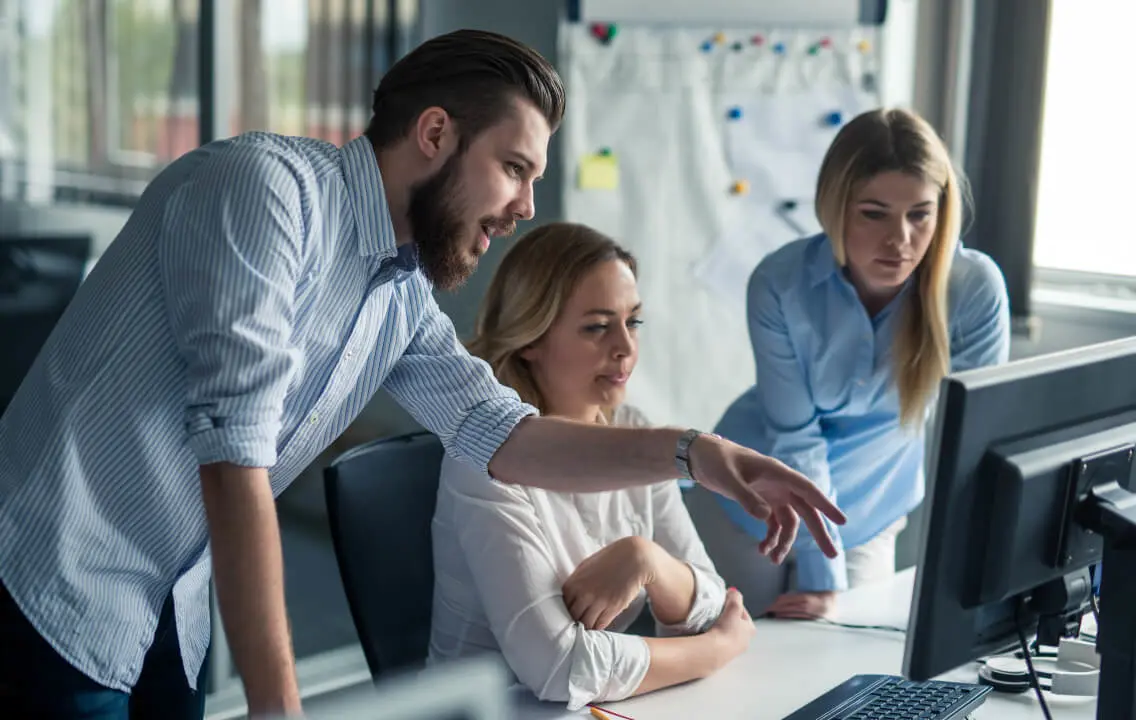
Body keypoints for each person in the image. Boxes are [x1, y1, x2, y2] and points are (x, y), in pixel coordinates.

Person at [0, 30, 843, 719]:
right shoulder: (264, 191)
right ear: (435, 134)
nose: (525, 209)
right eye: (515, 169)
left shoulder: (396, 291)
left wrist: (701, 455)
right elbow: (234, 460)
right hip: (47, 581)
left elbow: (507, 438)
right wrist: (278, 707)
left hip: (168, 603)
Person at [685, 108, 1010, 621]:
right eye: (874, 213)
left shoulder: (972, 290)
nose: (899, 240)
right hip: (751, 501)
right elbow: (797, 437)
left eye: (919, 214)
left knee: (850, 670)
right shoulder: (780, 282)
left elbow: (972, 443)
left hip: (870, 512)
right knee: (729, 663)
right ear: (836, 208)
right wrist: (821, 577)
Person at [429, 222, 755, 710]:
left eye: (633, 322)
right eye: (597, 327)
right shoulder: (483, 460)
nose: (625, 347)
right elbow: (561, 667)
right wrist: (716, 650)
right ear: (530, 338)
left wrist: (647, 560)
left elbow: (707, 601)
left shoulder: (634, 430)